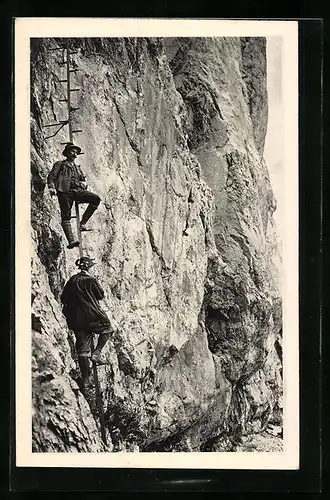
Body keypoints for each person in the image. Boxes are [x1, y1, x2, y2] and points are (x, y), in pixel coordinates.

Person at [60, 256, 114, 391]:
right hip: (92, 315)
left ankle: (86, 380)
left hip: (76, 319)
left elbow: (63, 297)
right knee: (108, 329)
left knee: (82, 350)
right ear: (89, 267)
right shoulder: (91, 280)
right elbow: (100, 295)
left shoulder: (72, 280)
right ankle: (96, 353)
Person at [47, 142, 101, 249]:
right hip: (64, 192)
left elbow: (83, 179)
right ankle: (71, 241)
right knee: (66, 216)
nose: (75, 155)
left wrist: (84, 184)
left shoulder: (77, 167)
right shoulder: (60, 164)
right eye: (72, 152)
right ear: (67, 153)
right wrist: (52, 187)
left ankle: (83, 223)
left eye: (76, 153)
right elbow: (52, 176)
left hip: (77, 191)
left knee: (96, 199)